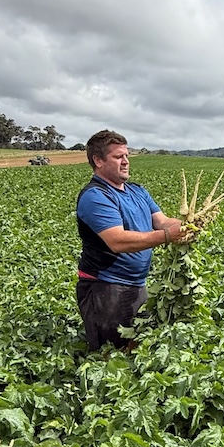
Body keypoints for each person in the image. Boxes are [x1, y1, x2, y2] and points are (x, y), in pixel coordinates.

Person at [75, 130, 186, 351]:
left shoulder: (137, 191)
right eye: (118, 157)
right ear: (98, 160)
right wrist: (167, 237)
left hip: (137, 285)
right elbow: (117, 241)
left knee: (136, 347)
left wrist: (188, 226)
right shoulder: (95, 196)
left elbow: (162, 221)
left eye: (126, 156)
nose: (125, 162)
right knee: (111, 355)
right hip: (106, 288)